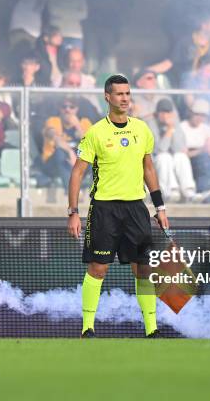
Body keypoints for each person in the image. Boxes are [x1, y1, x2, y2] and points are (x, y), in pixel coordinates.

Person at [67, 74, 169, 338]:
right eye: (119, 94)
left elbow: (149, 168)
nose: (125, 98)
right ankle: (87, 327)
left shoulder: (142, 129)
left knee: (143, 268)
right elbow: (77, 173)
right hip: (104, 209)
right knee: (98, 269)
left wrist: (160, 208)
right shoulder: (96, 132)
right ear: (107, 97)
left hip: (136, 208)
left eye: (127, 93)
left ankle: (152, 329)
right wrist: (73, 212)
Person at [148, 99, 210, 203]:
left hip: (170, 160)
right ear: (157, 113)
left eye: (168, 112)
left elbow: (179, 148)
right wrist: (169, 130)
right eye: (163, 112)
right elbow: (159, 150)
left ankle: (189, 193)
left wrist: (172, 128)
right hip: (153, 162)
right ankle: (168, 192)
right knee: (164, 157)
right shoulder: (150, 124)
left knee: (181, 156)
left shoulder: (175, 124)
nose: (165, 115)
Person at [41, 96, 91, 188]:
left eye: (72, 107)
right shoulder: (53, 121)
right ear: (59, 108)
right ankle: (71, 190)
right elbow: (57, 140)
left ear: (77, 109)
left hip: (78, 163)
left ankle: (97, 192)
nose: (67, 110)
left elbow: (91, 144)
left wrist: (77, 126)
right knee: (60, 152)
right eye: (64, 107)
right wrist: (70, 153)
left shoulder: (85, 122)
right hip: (53, 164)